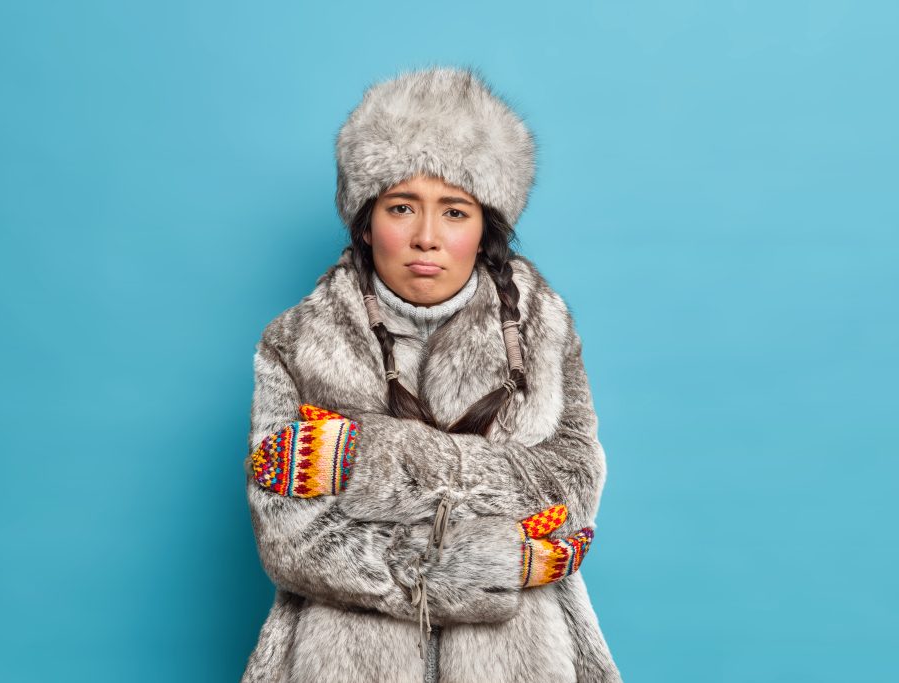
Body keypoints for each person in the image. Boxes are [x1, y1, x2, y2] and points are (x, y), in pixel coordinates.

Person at [240, 65, 622, 683]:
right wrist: (483, 563)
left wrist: (365, 458)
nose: (426, 237)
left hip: (521, 656)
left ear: (484, 226)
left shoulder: (541, 326)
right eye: (401, 206)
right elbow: (291, 541)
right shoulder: (297, 342)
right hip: (344, 659)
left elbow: (572, 487)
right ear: (366, 222)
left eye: (454, 211)